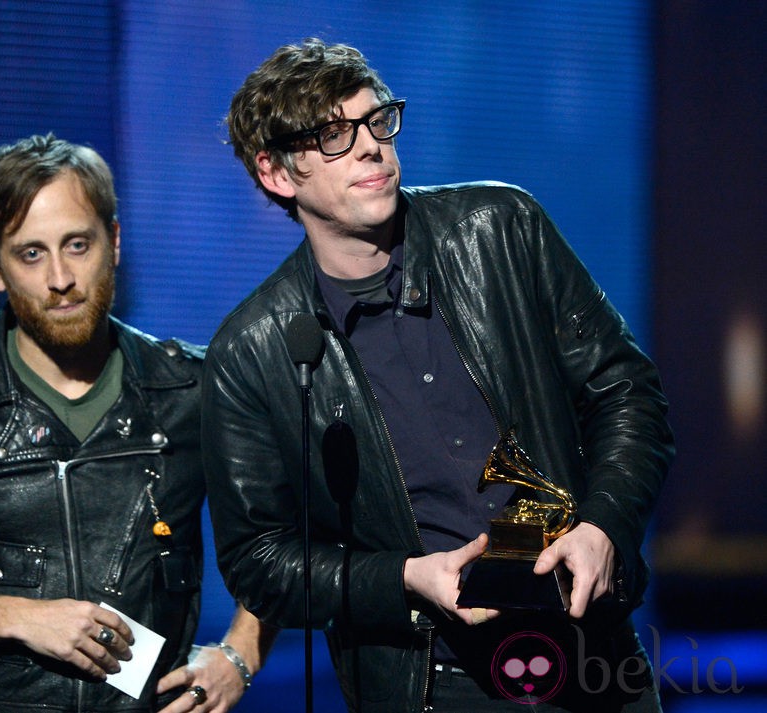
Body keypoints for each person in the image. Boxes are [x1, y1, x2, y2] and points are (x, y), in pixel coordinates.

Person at [203, 38, 674, 712]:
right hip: (430, 682)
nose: (370, 146)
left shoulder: (500, 229)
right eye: (334, 135)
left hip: (591, 654)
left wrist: (602, 526)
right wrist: (404, 579)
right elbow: (260, 560)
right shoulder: (254, 350)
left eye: (377, 121)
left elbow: (628, 393)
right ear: (277, 174)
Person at [0, 134, 274, 713]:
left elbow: (286, 529)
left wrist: (240, 657)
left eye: (77, 244)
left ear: (113, 243)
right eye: (30, 254)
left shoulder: (192, 389)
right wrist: (18, 617)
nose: (60, 277)